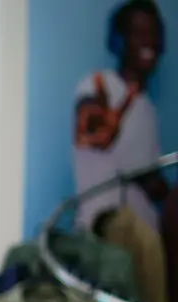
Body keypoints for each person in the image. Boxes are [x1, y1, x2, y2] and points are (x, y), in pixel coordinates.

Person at [73, 0, 169, 231]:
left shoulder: (147, 108)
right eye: (138, 33)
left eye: (154, 33)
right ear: (118, 41)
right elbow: (91, 127)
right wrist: (100, 129)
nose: (149, 41)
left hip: (144, 238)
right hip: (105, 239)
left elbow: (149, 181)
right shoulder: (97, 86)